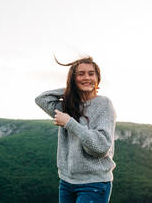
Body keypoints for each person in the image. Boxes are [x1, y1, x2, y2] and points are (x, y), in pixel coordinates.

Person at [35, 56, 116, 203]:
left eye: (91, 74)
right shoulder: (68, 105)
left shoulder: (104, 105)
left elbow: (100, 147)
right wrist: (72, 89)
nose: (87, 77)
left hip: (94, 183)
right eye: (81, 74)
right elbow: (42, 99)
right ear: (73, 79)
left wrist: (69, 123)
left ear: (98, 77)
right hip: (66, 181)